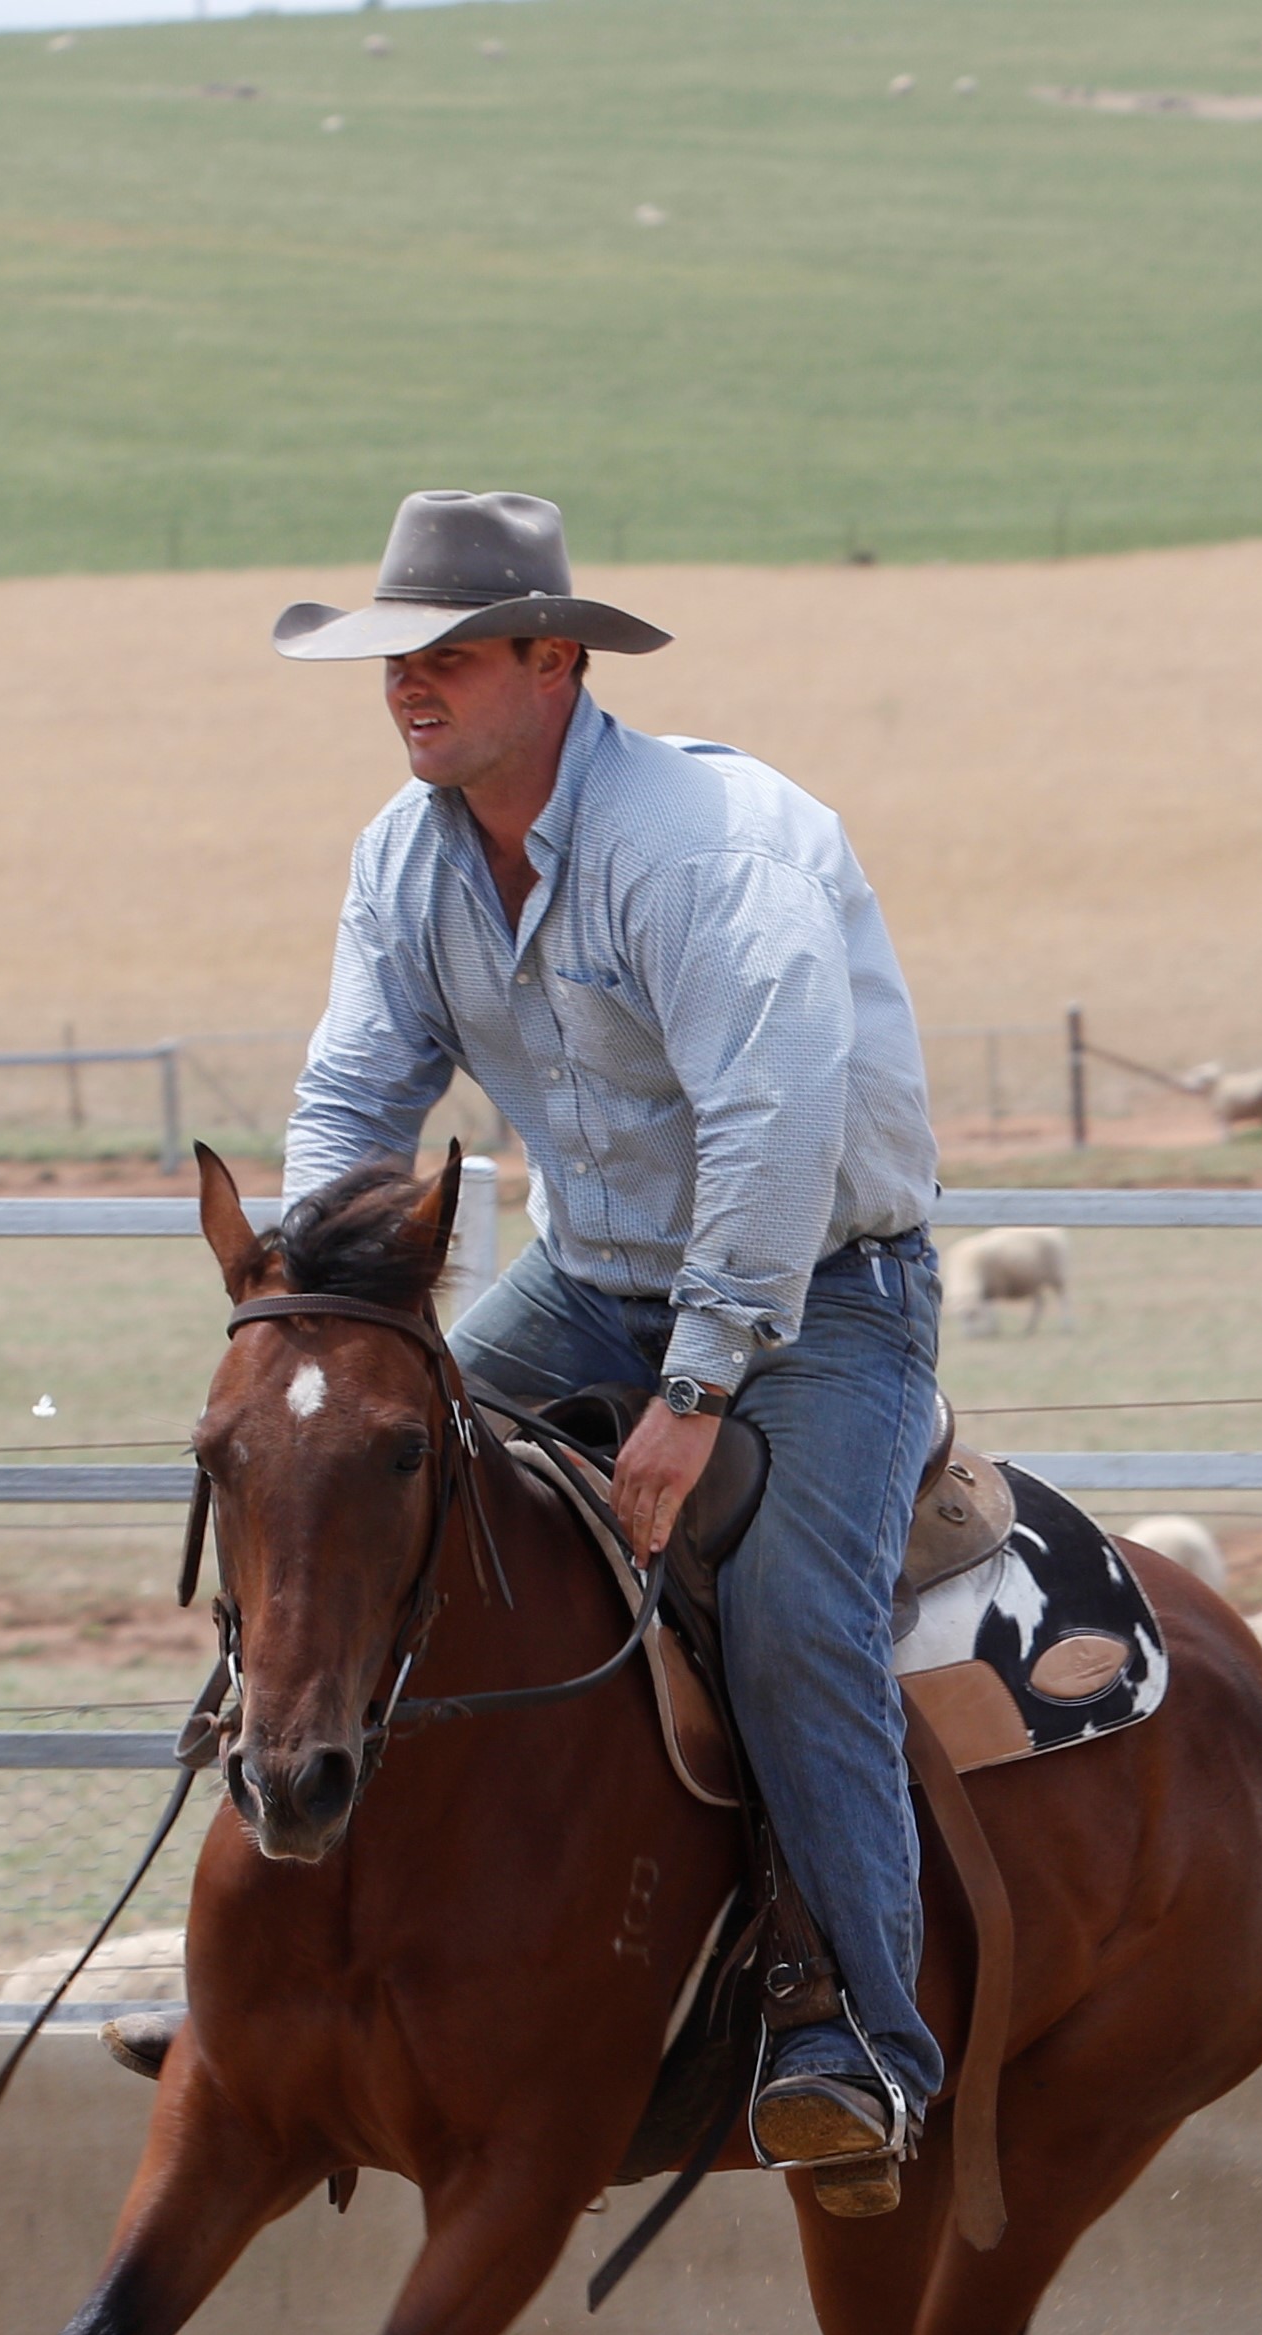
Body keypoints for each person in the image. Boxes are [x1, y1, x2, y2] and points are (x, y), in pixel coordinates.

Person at [274, 490, 945, 2207]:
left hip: (817, 1296)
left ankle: (859, 2039)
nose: (407, 685)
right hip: (589, 1278)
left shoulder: (703, 850)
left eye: (446, 655)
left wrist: (698, 1388)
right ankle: (276, 1959)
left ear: (552, 664)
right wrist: (319, 1308)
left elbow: (774, 1126)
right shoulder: (407, 856)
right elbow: (355, 1094)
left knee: (792, 1618)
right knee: (323, 1490)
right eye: (393, 659)